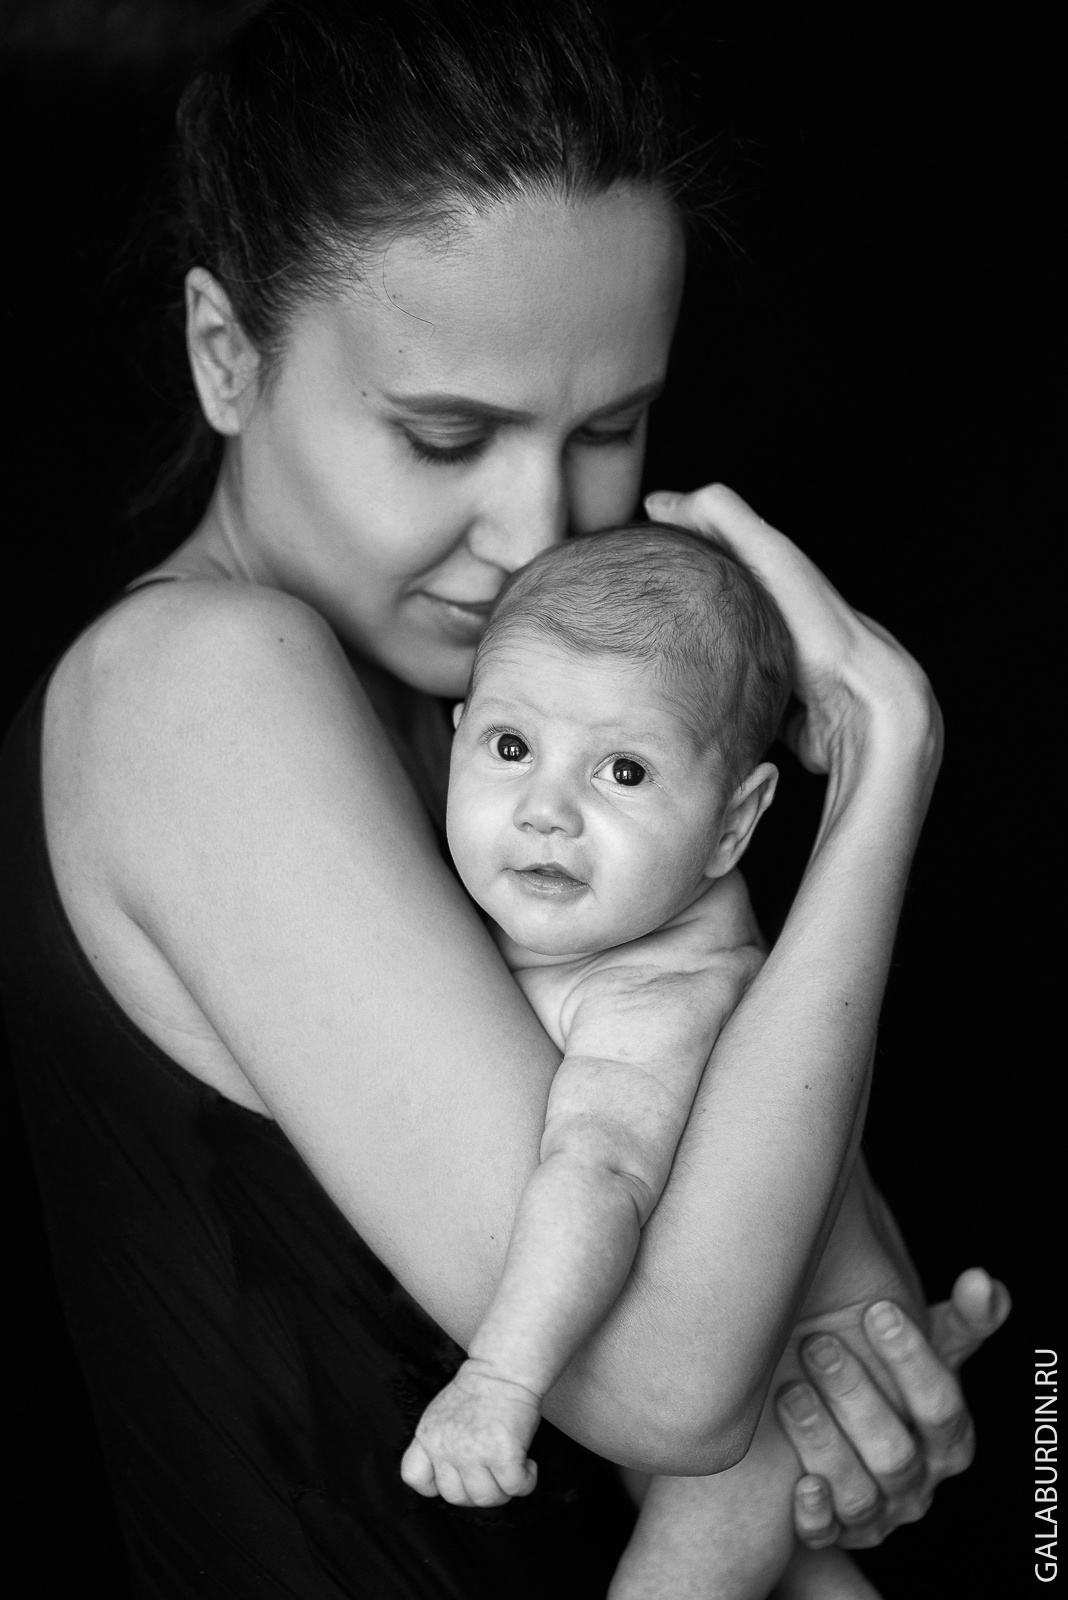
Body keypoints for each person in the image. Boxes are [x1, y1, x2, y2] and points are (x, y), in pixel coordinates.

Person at [0, 4, 1008, 1597]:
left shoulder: (536, 722)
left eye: (609, 430)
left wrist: (829, 1375)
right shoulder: (197, 684)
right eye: (445, 435)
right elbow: (682, 1381)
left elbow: (835, 1298)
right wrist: (885, 777)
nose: (540, 527)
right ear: (225, 355)